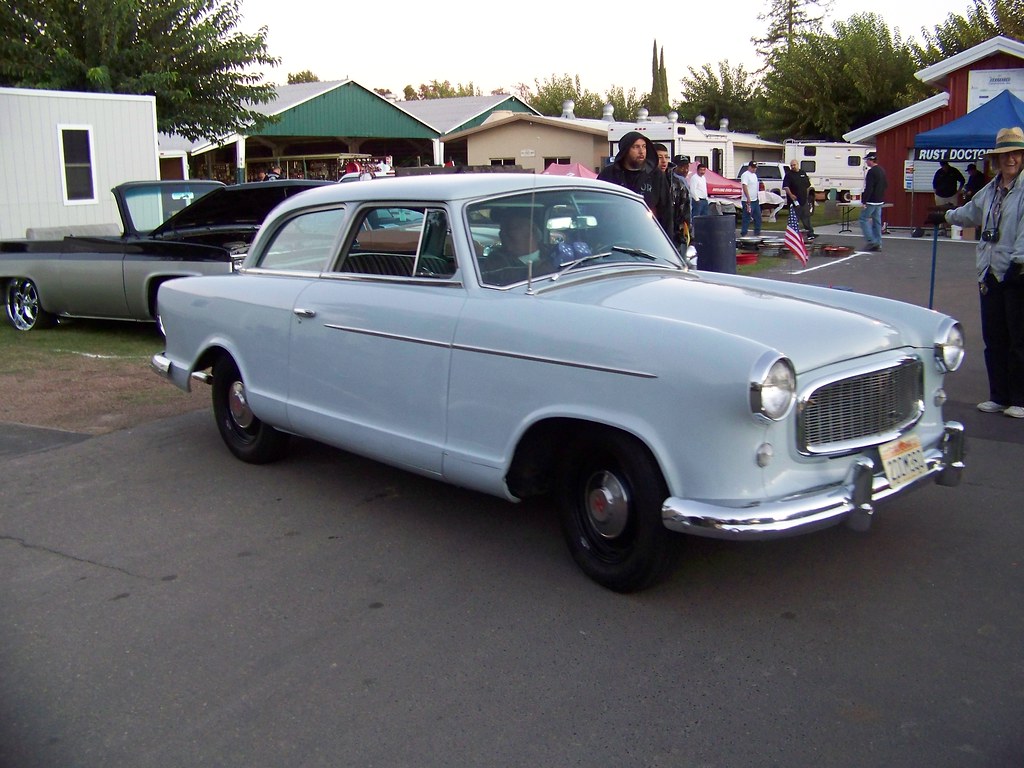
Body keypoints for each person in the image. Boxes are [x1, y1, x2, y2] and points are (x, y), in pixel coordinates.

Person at [929, 126, 1024, 419]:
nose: (1010, 160)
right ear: (996, 159)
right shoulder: (991, 190)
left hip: (1017, 271)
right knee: (994, 337)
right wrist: (944, 216)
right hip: (990, 271)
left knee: (1018, 339)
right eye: (1005, 155)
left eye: (1016, 154)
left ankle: (1019, 398)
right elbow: (970, 212)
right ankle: (999, 395)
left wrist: (1019, 263)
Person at [598, 131, 672, 234]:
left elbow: (666, 213)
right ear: (625, 150)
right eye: (636, 147)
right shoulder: (609, 174)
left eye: (644, 146)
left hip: (648, 236)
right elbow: (598, 208)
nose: (641, 151)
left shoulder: (656, 176)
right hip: (615, 234)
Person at [859, 151, 888, 251]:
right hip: (879, 200)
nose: (866, 162)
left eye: (867, 160)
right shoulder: (882, 170)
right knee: (877, 222)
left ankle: (871, 241)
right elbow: (885, 185)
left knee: (863, 219)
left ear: (871, 160)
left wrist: (864, 201)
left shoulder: (871, 172)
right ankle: (878, 242)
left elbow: (869, 187)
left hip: (871, 200)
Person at [782, 159, 815, 240]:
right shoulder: (789, 175)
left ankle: (810, 233)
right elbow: (785, 187)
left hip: (803, 200)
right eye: (791, 165)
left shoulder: (802, 173)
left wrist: (806, 195)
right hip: (794, 201)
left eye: (794, 165)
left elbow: (807, 185)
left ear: (797, 165)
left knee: (806, 217)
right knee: (794, 219)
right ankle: (793, 236)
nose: (793, 167)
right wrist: (791, 195)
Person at [669, 155, 692, 249]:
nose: (685, 170)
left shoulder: (684, 180)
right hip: (677, 223)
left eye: (687, 167)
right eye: (682, 167)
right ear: (675, 167)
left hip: (685, 220)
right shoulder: (673, 180)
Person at [739, 160, 762, 236]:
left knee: (758, 217)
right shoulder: (745, 175)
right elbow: (744, 186)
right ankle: (744, 233)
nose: (754, 169)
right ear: (749, 167)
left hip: (755, 200)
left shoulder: (754, 175)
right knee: (747, 218)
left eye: (755, 168)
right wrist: (748, 198)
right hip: (747, 201)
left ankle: (757, 233)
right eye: (753, 167)